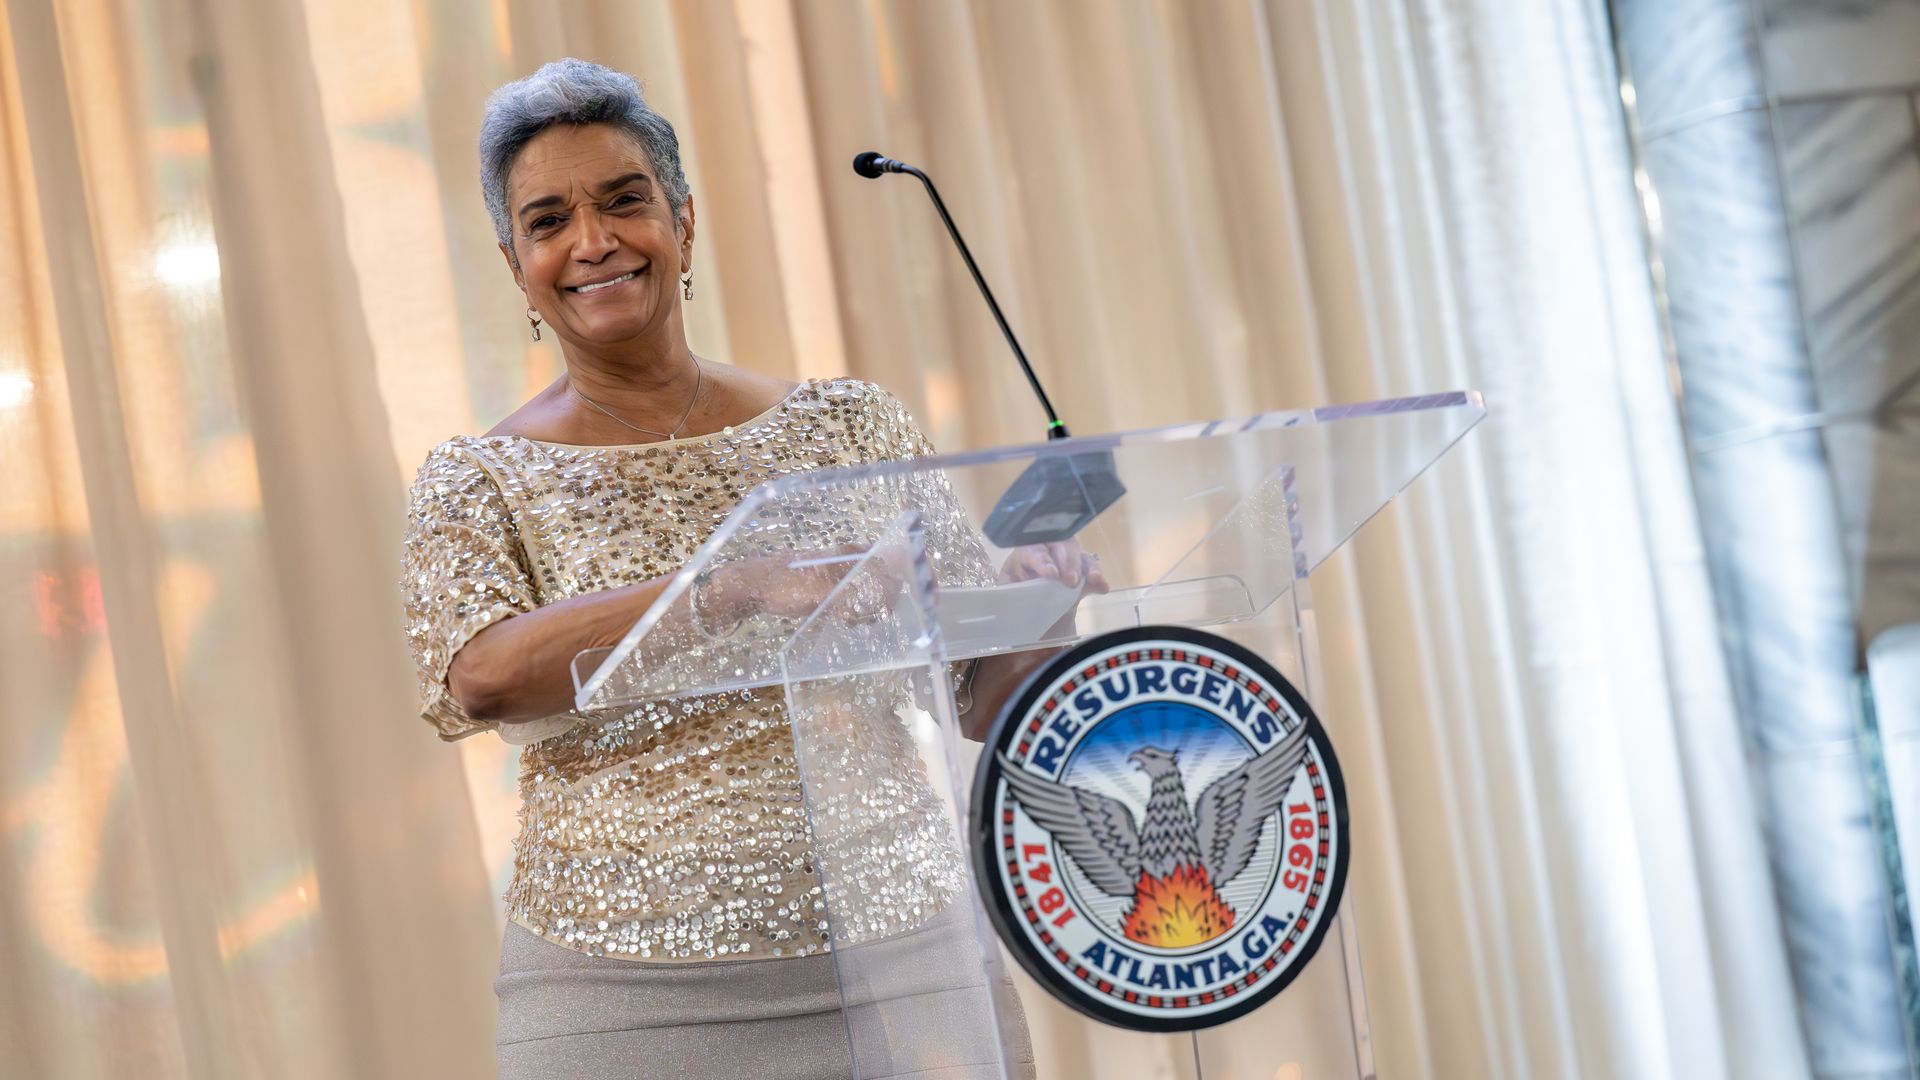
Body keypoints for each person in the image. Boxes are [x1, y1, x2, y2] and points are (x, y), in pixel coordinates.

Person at [400, 59, 1100, 1079]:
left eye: (624, 201)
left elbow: (985, 693)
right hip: (629, 995)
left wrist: (1046, 602)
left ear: (684, 224)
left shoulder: (849, 425)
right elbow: (484, 673)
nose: (591, 242)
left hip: (903, 959)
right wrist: (734, 586)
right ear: (518, 266)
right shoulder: (479, 478)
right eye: (548, 221)